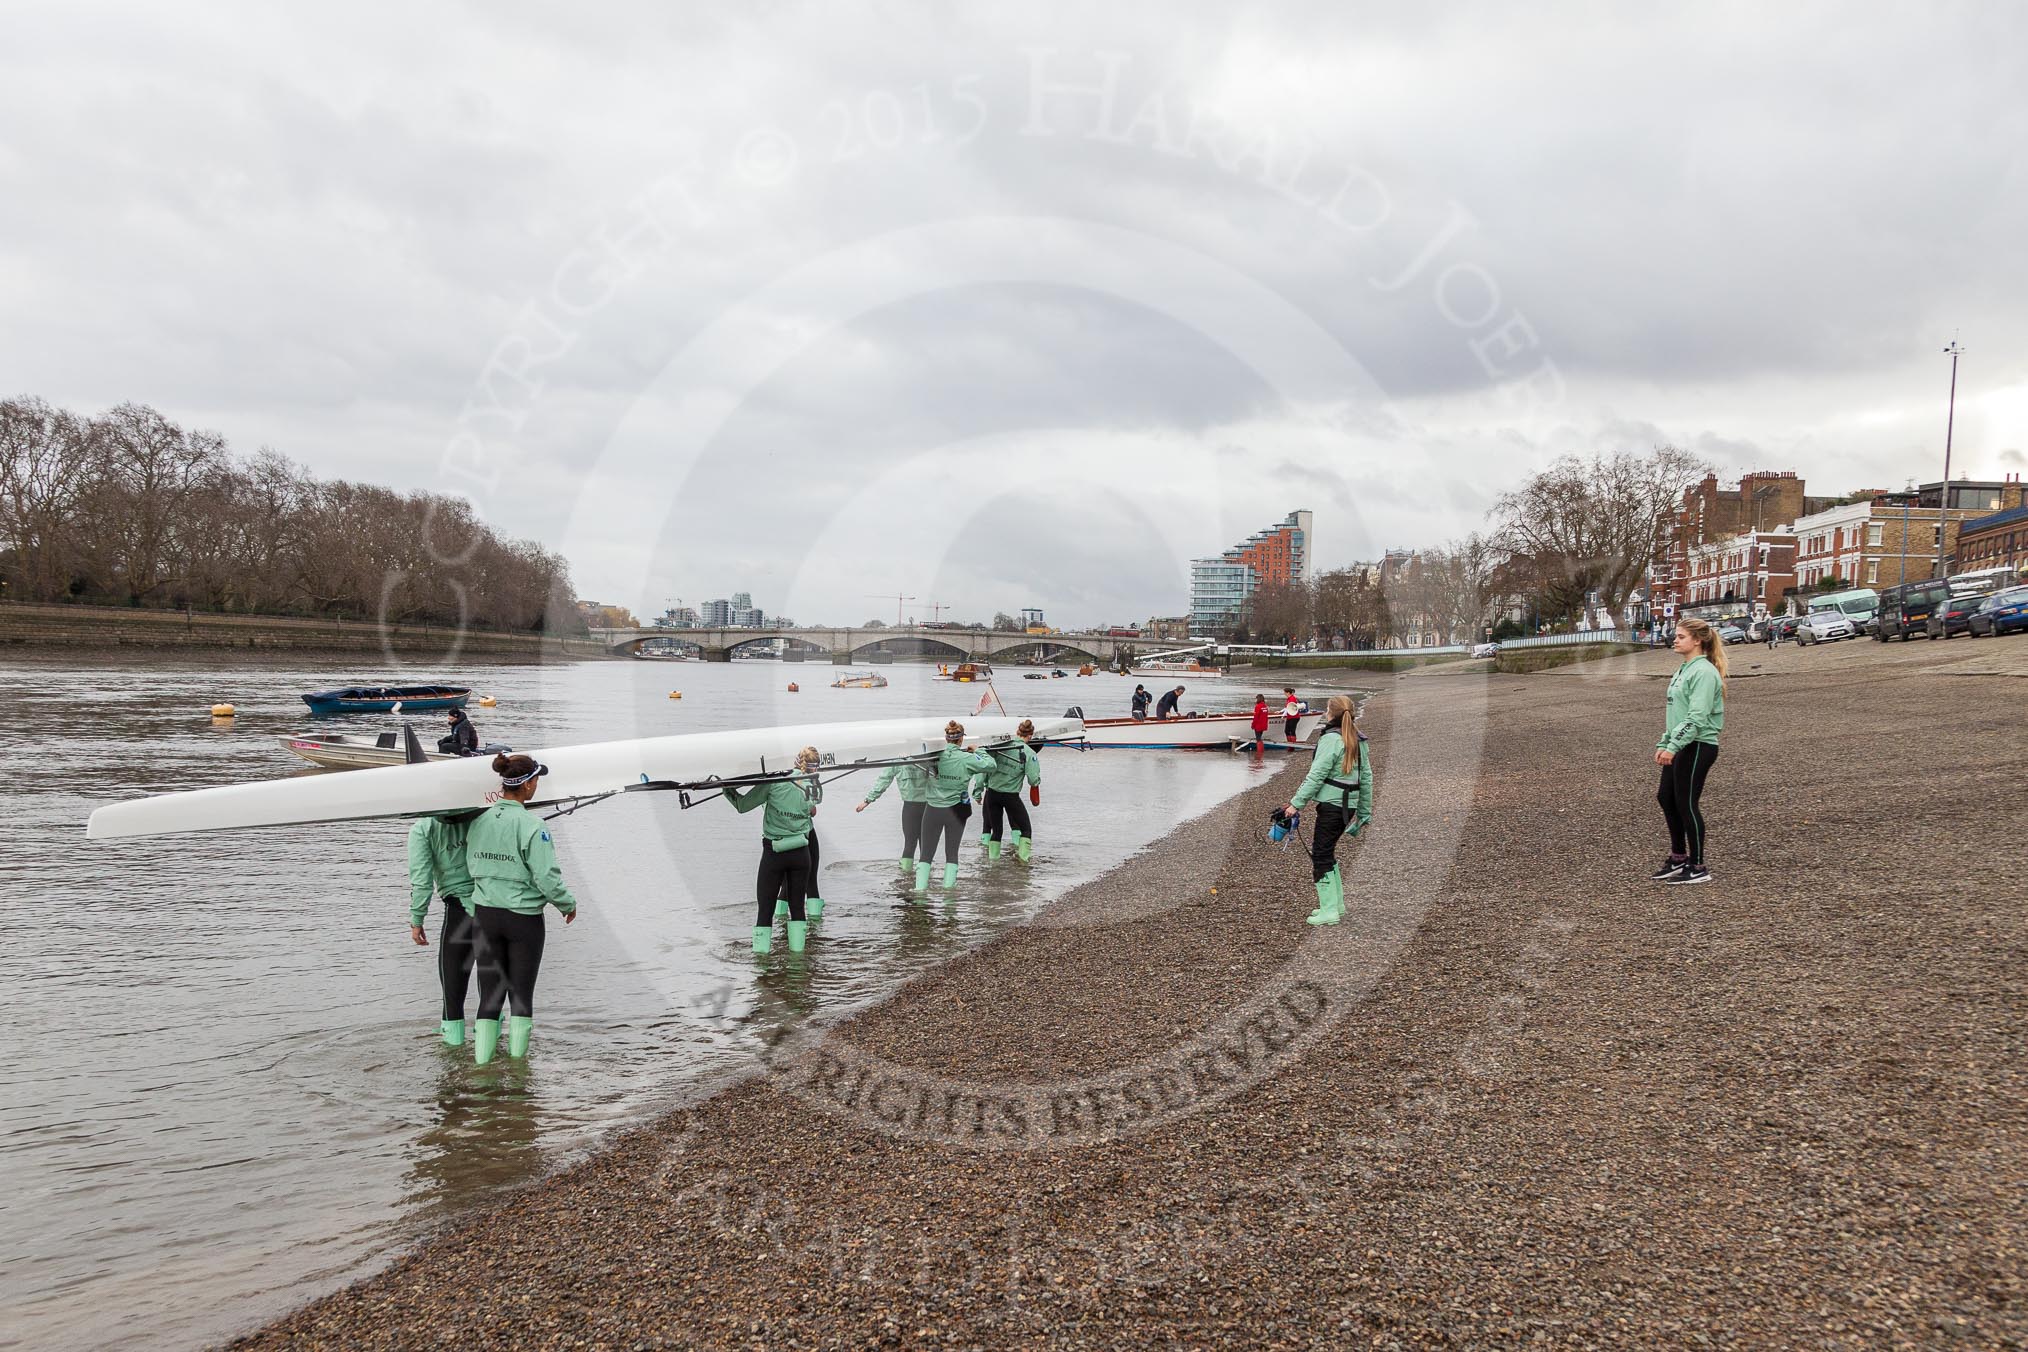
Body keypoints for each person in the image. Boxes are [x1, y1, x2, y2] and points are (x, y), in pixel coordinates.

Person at [465, 754, 578, 1064]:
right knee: (520, 996)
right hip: (522, 920)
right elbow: (546, 876)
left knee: (489, 996)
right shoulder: (532, 824)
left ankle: (482, 1067)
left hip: (485, 916)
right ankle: (518, 1075)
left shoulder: (478, 820)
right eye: (536, 781)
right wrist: (567, 904)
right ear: (527, 785)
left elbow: (470, 865)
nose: (536, 786)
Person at [1285, 694, 1373, 927]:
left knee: (1321, 855)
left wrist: (1296, 804)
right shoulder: (1358, 738)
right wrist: (1363, 812)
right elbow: (1366, 778)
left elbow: (1316, 776)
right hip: (1348, 806)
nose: (1325, 712)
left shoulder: (1331, 740)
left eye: (1326, 709)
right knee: (1327, 851)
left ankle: (1329, 910)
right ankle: (1337, 905)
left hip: (1332, 806)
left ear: (1331, 713)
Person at [1652, 618, 1726, 886]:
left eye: (1681, 636)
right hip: (1681, 743)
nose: (1675, 639)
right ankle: (1678, 857)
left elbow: (1696, 718)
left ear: (1698, 641)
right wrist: (1665, 742)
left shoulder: (1704, 672)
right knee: (1666, 797)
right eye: (1676, 636)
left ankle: (1697, 865)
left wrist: (1673, 746)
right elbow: (1677, 714)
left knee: (1686, 803)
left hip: (1698, 746)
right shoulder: (1684, 669)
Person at [728, 746, 823, 954]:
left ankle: (761, 964)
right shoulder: (814, 784)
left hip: (774, 854)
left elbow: (743, 806)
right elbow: (812, 810)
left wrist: (727, 789)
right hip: (801, 853)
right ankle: (798, 960)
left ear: (795, 761)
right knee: (797, 909)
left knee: (765, 912)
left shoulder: (774, 782)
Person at [408, 811, 476, 1047]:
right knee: (492, 992)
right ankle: (495, 1060)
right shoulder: (484, 816)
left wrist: (417, 919)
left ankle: (452, 1063)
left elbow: (422, 881)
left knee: (453, 996)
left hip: (460, 914)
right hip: (495, 909)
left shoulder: (422, 829)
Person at [912, 720, 997, 893]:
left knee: (926, 853)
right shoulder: (968, 758)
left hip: (933, 809)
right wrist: (979, 750)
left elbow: (915, 766)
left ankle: (920, 891)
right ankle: (948, 895)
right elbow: (991, 766)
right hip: (955, 811)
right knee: (952, 852)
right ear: (961, 740)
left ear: (946, 738)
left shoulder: (933, 756)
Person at [970, 718, 1043, 862]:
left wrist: (977, 792)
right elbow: (1033, 780)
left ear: (1017, 732)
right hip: (1011, 797)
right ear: (1030, 736)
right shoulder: (1029, 753)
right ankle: (1023, 863)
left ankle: (993, 864)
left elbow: (983, 770)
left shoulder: (1000, 746)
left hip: (992, 794)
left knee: (996, 831)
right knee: (1026, 829)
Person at [857, 755, 931, 875]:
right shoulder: (928, 757)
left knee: (909, 844)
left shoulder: (896, 761)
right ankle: (925, 877)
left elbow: (884, 780)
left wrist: (867, 800)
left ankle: (905, 877)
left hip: (910, 808)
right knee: (925, 844)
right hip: (929, 807)